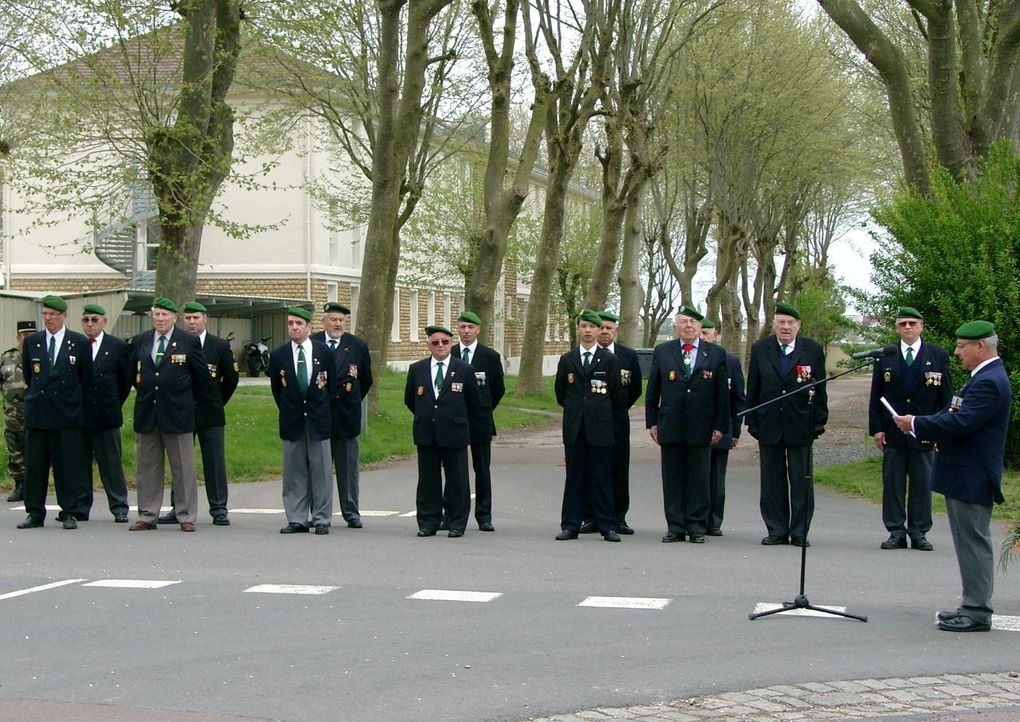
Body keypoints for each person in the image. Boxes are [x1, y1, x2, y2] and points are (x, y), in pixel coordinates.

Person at [893, 320, 1011, 633]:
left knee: (974, 543)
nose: (957, 352)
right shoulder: (981, 378)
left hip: (972, 475)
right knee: (968, 542)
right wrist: (919, 422)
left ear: (980, 347)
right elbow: (951, 414)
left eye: (962, 346)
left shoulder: (989, 382)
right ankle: (971, 604)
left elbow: (961, 424)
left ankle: (977, 611)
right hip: (963, 474)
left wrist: (916, 424)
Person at [744, 301, 828, 547]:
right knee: (772, 481)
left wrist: (819, 421)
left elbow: (820, 388)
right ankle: (776, 529)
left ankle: (799, 531)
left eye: (790, 323)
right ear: (773, 325)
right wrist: (752, 419)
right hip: (769, 423)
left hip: (800, 423)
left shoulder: (811, 349)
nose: (786, 327)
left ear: (798, 326)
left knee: (801, 480)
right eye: (781, 322)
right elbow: (755, 387)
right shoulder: (761, 349)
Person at [868, 307, 952, 551]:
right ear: (896, 327)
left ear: (921, 326)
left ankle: (919, 532)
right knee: (892, 483)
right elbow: (876, 396)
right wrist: (876, 429)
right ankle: (896, 530)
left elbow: (945, 399)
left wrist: (940, 430)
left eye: (912, 323)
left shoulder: (937, 355)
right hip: (892, 432)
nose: (907, 327)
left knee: (922, 483)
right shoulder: (886, 356)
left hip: (924, 431)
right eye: (903, 323)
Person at [645, 306, 728, 543]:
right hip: (670, 424)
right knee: (673, 478)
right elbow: (653, 390)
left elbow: (722, 394)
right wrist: (652, 422)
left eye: (693, 322)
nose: (688, 326)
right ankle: (675, 526)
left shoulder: (715, 354)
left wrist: (720, 426)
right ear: (676, 327)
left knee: (699, 478)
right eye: (683, 322)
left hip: (702, 425)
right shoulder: (663, 351)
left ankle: (697, 527)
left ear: (701, 327)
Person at [128, 298, 210, 532]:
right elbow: (132, 373)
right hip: (148, 412)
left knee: (183, 467)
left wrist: (186, 402)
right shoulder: (141, 340)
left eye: (165, 315)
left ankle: (186, 515)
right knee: (148, 467)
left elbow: (201, 378)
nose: (160, 319)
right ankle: (147, 514)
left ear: (175, 317)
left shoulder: (188, 341)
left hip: (178, 413)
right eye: (157, 315)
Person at [159, 301, 240, 526]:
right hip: (182, 412)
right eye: (188, 318)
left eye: (196, 318)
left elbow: (231, 379)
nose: (192, 322)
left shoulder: (219, 345)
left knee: (214, 461)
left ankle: (219, 508)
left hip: (210, 412)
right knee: (181, 462)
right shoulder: (178, 343)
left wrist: (217, 401)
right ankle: (178, 507)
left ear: (206, 319)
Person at [554, 309, 627, 542]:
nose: (587, 331)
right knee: (574, 478)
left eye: (592, 327)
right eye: (584, 326)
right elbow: (560, 394)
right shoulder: (567, 360)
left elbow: (617, 396)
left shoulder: (609, 360)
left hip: (600, 429)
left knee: (601, 478)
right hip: (575, 428)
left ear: (598, 330)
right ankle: (570, 525)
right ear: (578, 329)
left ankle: (607, 525)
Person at [17, 296, 89, 530]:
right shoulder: (33, 342)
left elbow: (85, 379)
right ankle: (35, 512)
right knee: (36, 466)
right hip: (39, 413)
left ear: (63, 316)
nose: (48, 319)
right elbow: (30, 376)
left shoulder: (78, 342)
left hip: (66, 414)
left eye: (52, 315)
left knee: (66, 465)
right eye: (45, 314)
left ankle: (69, 511)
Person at [404, 325, 481, 538]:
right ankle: (429, 521)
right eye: (435, 342)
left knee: (457, 480)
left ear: (451, 344)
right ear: (428, 345)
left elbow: (474, 403)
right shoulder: (417, 369)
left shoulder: (465, 370)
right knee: (428, 480)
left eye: (445, 342)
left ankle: (456, 522)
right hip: (427, 431)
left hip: (454, 432)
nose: (440, 346)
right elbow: (410, 400)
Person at [269, 307, 336, 535]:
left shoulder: (323, 352)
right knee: (294, 471)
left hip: (318, 419)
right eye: (290, 323)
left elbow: (331, 386)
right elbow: (278, 390)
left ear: (309, 327)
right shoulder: (279, 355)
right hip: (292, 419)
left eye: (298, 323)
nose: (294, 327)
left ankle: (321, 518)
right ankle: (297, 518)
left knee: (321, 471)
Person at [311, 302, 373, 529]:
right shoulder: (313, 342)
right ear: (323, 322)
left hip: (346, 415)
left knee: (348, 469)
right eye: (333, 320)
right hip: (320, 415)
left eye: (341, 320)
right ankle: (318, 512)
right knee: (318, 468)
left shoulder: (356, 346)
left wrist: (351, 401)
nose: (337, 324)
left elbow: (365, 380)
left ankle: (351, 511)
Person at [579, 310, 641, 535]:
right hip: (591, 424)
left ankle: (618, 517)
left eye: (608, 328)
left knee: (618, 470)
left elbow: (633, 389)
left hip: (616, 423)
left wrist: (615, 409)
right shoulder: (583, 356)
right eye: (601, 327)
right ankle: (591, 517)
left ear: (616, 330)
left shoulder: (628, 356)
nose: (604, 332)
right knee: (590, 469)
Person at [449, 310, 505, 532]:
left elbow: (498, 389)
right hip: (453, 420)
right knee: (454, 469)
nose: (466, 331)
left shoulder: (490, 357)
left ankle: (484, 515)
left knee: (482, 469)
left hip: (480, 421)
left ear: (478, 329)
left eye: (470, 327)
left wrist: (484, 409)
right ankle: (451, 512)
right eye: (462, 327)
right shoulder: (450, 353)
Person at [78, 303, 132, 523]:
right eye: (86, 320)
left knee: (110, 464)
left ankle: (119, 506)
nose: (90, 324)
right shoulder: (77, 344)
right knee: (80, 463)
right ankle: (81, 506)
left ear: (104, 322)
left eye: (94, 320)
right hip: (80, 415)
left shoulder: (117, 346)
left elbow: (125, 381)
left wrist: (113, 403)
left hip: (106, 414)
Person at [700, 318, 745, 536]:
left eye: (706, 333)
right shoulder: (691, 360)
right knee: (698, 477)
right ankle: (696, 518)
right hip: (696, 429)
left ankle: (714, 521)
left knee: (716, 480)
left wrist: (735, 430)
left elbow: (738, 399)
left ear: (715, 334)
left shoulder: (730, 362)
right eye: (700, 333)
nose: (703, 338)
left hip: (722, 429)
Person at [2, 321, 34, 503]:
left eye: (31, 335)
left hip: (35, 415)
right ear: (18, 337)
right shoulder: (7, 357)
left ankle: (34, 487)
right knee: (15, 452)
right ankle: (19, 485)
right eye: (24, 335)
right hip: (12, 416)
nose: (27, 338)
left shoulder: (41, 356)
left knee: (35, 452)